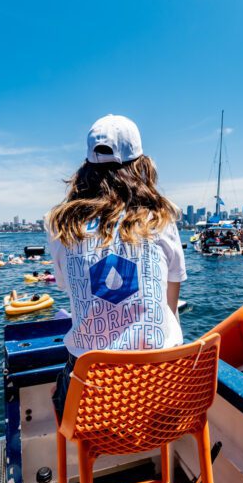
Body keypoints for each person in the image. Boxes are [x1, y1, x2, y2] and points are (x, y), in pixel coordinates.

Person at [47, 114, 186, 418]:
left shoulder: (63, 227)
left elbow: (68, 288)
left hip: (93, 405)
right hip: (160, 399)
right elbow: (170, 311)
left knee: (58, 389)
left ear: (87, 167)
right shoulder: (162, 219)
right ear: (142, 163)